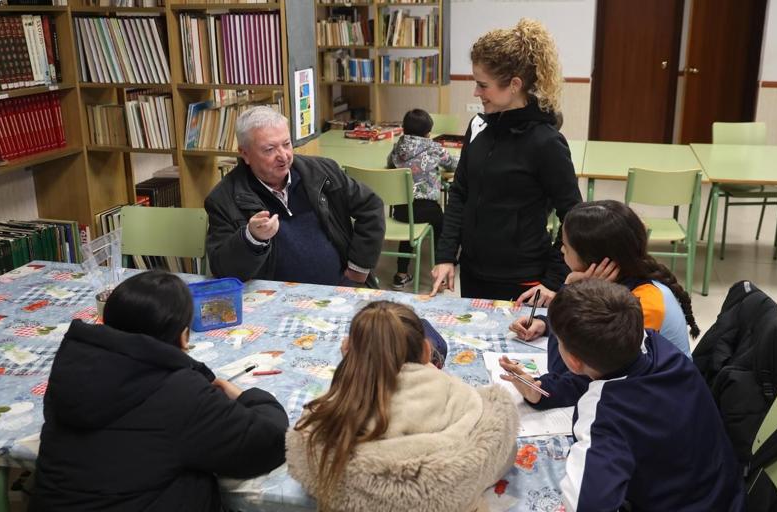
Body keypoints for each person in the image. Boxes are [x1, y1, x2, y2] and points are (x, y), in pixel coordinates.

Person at [31, 271, 288, 512]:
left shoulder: (73, 368)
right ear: (183, 337)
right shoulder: (181, 392)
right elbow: (270, 444)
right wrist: (248, 397)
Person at [499, 280, 744, 512]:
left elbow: (587, 506)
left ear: (573, 361)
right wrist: (542, 390)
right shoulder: (656, 346)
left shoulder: (606, 414)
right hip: (724, 494)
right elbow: (594, 376)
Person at [287, 301, 518, 511]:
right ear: (428, 352)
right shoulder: (476, 410)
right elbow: (503, 453)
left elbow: (301, 464)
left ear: (347, 351)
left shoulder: (316, 435)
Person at [430, 18, 582, 301]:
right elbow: (460, 193)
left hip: (523, 279)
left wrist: (553, 281)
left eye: (482, 85)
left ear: (514, 84)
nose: (476, 92)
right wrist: (446, 256)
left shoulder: (546, 142)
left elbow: (575, 218)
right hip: (474, 271)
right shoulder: (478, 126)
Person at [205, 106, 385, 286]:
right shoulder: (223, 199)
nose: (283, 156)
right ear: (245, 154)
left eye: (286, 144)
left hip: (341, 290)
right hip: (275, 303)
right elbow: (222, 270)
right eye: (269, 149)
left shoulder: (322, 172)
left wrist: (359, 267)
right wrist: (251, 239)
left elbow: (371, 205)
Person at [512, 200, 699, 359]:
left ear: (594, 259)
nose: (561, 250)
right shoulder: (619, 283)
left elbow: (572, 363)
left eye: (566, 247)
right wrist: (546, 324)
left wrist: (569, 288)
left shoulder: (643, 303)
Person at [387, 108, 458, 289]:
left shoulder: (398, 147)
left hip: (402, 210)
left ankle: (401, 274)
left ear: (403, 129)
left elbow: (389, 162)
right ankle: (440, 273)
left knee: (409, 228)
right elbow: (452, 163)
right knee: (441, 226)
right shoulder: (433, 148)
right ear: (428, 132)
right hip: (427, 208)